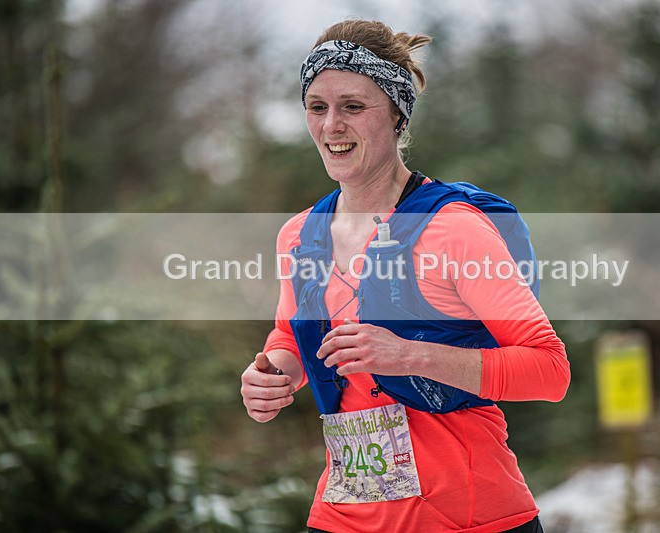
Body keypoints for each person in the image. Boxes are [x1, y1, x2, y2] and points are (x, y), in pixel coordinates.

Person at [240, 19, 570, 533]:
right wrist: (276, 374)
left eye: (353, 106)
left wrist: (409, 354)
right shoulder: (299, 236)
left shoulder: (454, 230)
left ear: (396, 114)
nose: (331, 126)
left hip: (467, 515)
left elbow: (550, 371)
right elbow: (291, 334)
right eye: (317, 107)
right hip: (344, 512)